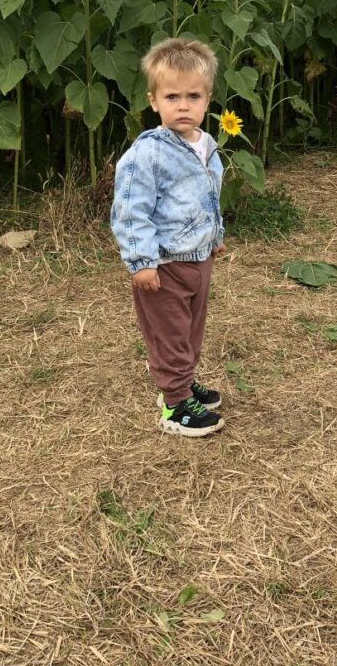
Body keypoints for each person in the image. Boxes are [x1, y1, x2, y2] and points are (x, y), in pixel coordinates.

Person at [110, 38, 227, 436]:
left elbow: (208, 197)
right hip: (165, 264)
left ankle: (183, 382)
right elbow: (130, 210)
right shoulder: (148, 154)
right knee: (169, 333)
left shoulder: (206, 146)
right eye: (172, 96)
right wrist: (141, 262)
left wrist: (215, 236)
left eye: (192, 96)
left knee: (192, 328)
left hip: (198, 258)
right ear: (153, 101)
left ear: (207, 100)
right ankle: (175, 406)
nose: (183, 105)